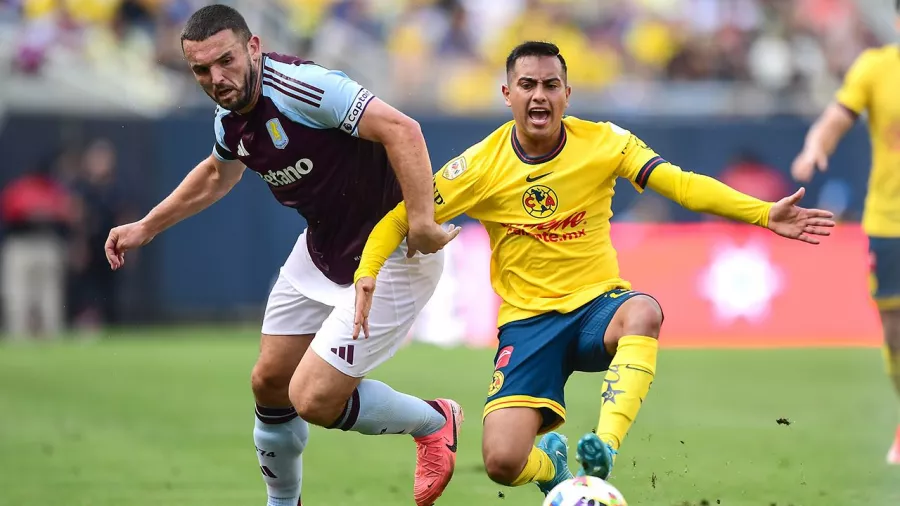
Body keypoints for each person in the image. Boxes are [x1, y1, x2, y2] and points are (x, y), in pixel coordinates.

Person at [353, 41, 835, 496]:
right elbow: (401, 217)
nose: (539, 96)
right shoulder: (479, 167)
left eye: (549, 85)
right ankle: (555, 469)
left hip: (595, 312)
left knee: (644, 311)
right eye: (527, 85)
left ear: (567, 93)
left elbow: (682, 185)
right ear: (507, 94)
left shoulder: (606, 142)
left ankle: (604, 448)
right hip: (527, 326)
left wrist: (763, 213)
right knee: (503, 462)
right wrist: (367, 272)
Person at [103, 5, 463, 506]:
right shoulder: (229, 117)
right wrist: (146, 226)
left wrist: (422, 220)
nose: (216, 78)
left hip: (392, 254)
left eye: (225, 61)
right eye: (201, 70)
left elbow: (403, 129)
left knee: (313, 398)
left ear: (253, 47)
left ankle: (434, 420)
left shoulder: (303, 87)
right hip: (322, 248)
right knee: (270, 382)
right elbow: (216, 173)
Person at [790, 24, 900, 464]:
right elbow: (836, 118)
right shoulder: (876, 67)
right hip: (890, 221)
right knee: (895, 334)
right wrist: (815, 146)